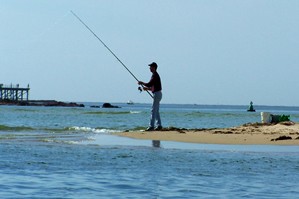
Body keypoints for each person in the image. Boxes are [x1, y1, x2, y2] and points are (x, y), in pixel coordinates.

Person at [138, 62, 162, 131]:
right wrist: (147, 89)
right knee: (156, 111)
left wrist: (142, 82)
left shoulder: (155, 75)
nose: (149, 68)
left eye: (151, 67)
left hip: (157, 94)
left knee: (153, 110)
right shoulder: (155, 75)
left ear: (154, 67)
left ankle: (151, 126)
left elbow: (149, 84)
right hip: (158, 93)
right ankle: (159, 125)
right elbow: (153, 87)